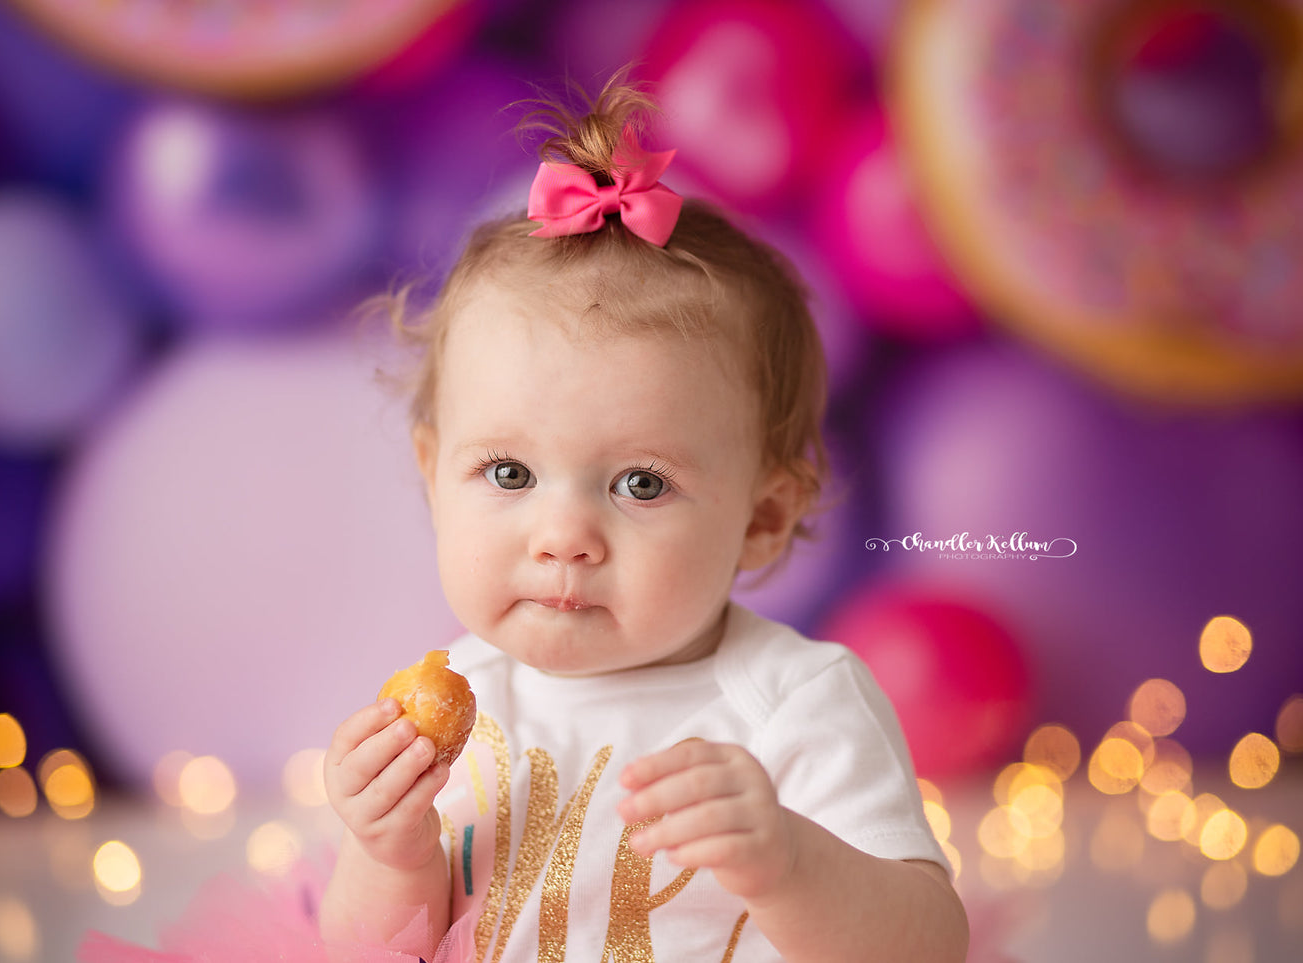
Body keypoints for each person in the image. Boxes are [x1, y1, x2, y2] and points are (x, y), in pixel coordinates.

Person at [316, 76, 969, 963]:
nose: (564, 536)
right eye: (508, 472)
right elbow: (370, 950)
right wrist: (387, 850)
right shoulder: (460, 705)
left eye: (641, 484)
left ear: (762, 518)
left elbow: (924, 945)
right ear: (434, 476)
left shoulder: (794, 703)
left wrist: (789, 863)